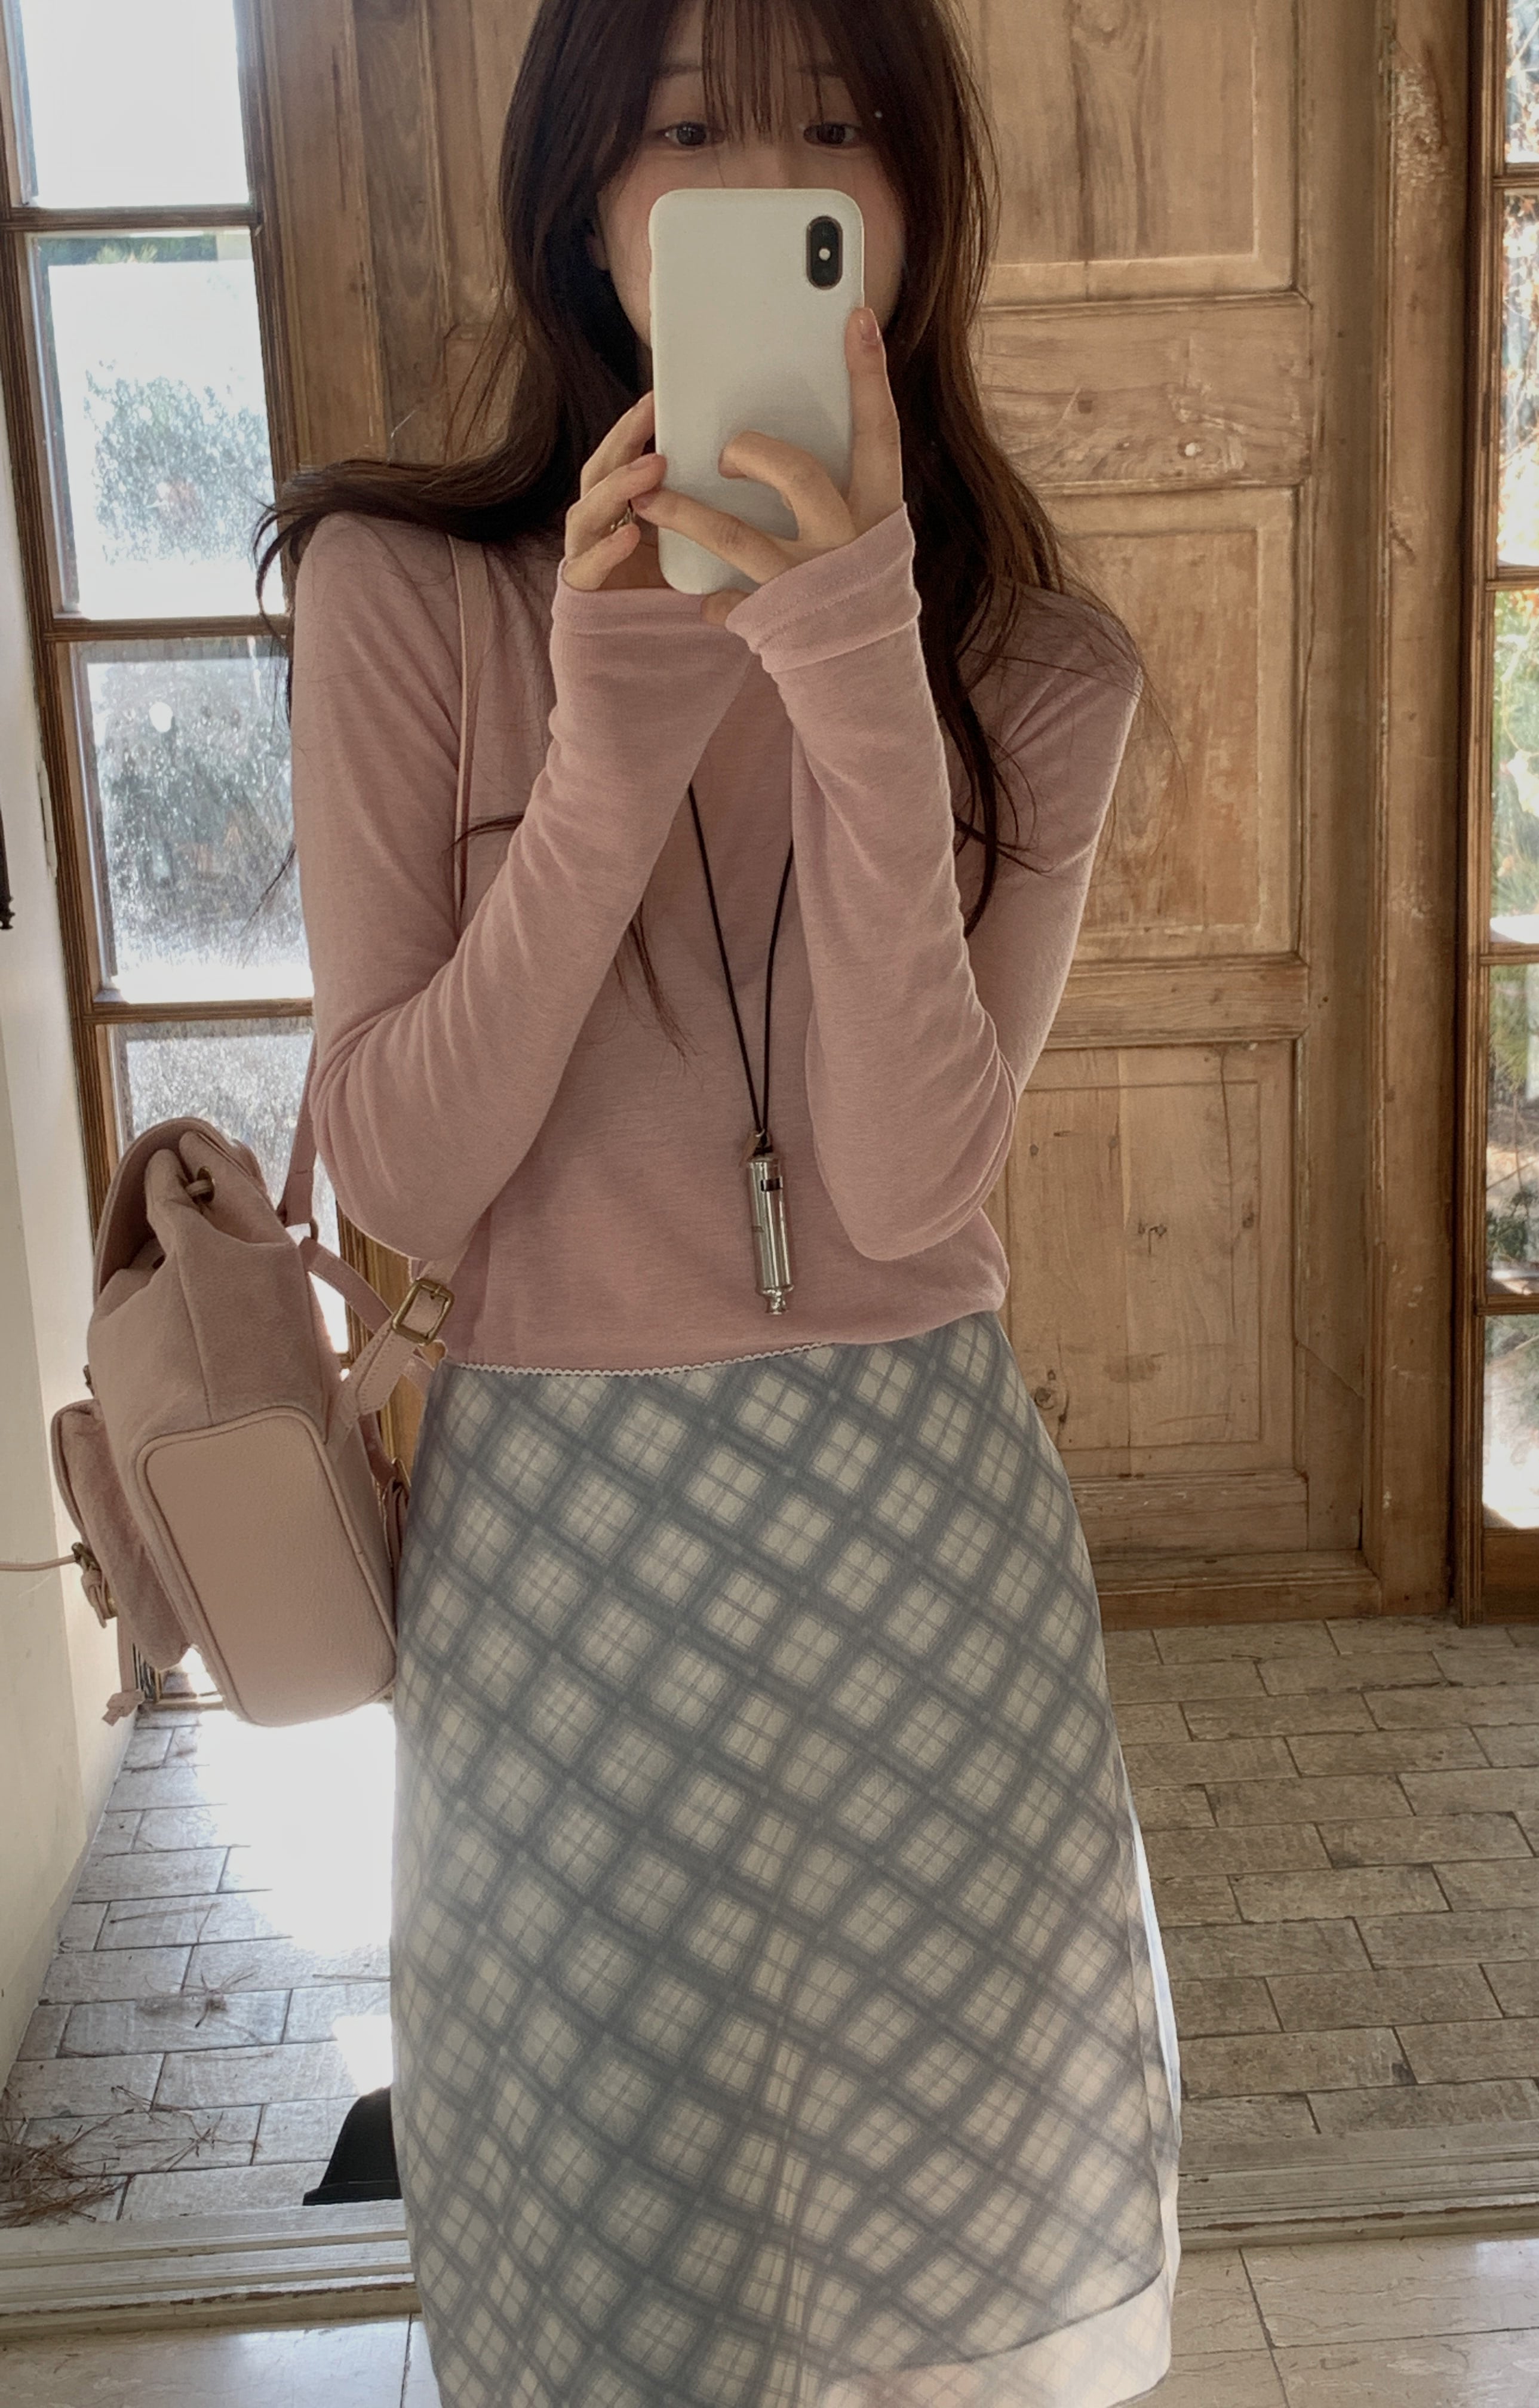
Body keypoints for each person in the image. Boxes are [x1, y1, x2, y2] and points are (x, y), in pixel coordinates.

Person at [263, 0, 1182, 2399]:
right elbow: (404, 1172)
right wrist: (608, 759)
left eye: (834, 131)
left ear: (913, 211)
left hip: (923, 1570)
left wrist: (855, 668)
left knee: (934, 2291)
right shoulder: (399, 594)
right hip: (564, 1587)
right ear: (584, 204)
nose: (764, 187)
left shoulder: (1035, 671)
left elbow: (905, 1189)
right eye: (686, 130)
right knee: (613, 2283)